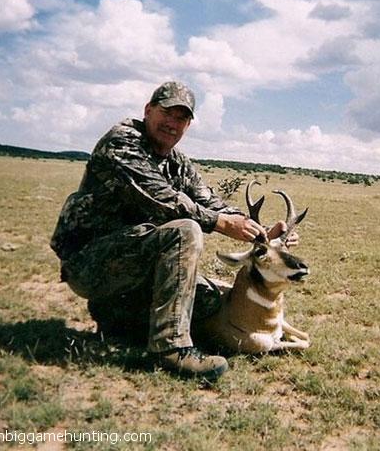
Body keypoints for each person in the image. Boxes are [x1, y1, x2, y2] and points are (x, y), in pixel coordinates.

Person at [50, 81, 290, 379]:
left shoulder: (177, 163)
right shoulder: (122, 142)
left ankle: (115, 317)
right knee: (185, 230)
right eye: (166, 113)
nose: (172, 123)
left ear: (188, 125)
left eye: (181, 118)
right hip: (90, 264)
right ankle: (171, 348)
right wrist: (222, 224)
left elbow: (210, 201)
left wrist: (260, 232)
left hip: (133, 266)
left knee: (208, 299)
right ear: (148, 111)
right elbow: (164, 200)